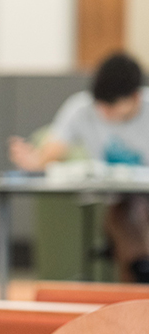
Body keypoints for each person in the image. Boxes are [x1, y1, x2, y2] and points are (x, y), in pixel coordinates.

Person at [9, 52, 149, 283]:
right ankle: (140, 271)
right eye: (101, 106)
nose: (105, 114)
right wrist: (33, 161)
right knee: (126, 211)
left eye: (113, 107)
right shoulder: (81, 108)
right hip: (116, 203)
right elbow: (52, 152)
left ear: (134, 97)